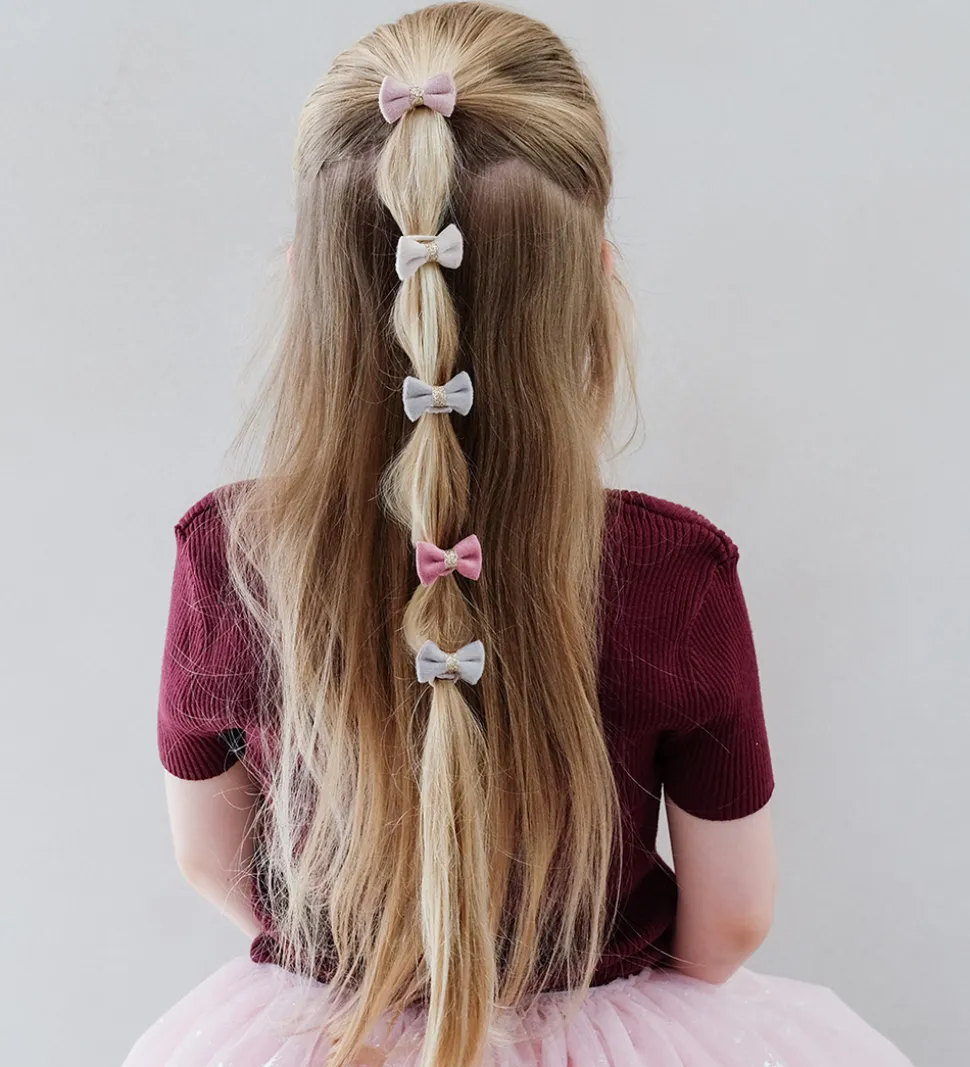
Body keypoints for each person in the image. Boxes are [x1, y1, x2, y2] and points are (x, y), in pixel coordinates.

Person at [122, 4, 915, 1065]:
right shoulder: (675, 573)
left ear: (306, 276)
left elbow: (209, 857)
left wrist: (376, 965)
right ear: (596, 277)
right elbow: (730, 918)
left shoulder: (231, 557)